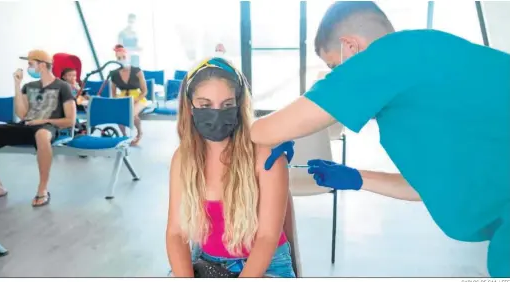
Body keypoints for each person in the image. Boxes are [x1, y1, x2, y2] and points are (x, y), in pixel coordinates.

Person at [250, 1, 510, 278]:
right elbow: (430, 185)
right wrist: (358, 178)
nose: (338, 75)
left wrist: (280, 132)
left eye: (335, 66)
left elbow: (262, 131)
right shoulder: (437, 58)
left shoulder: (387, 56)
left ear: (351, 45)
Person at [166, 57, 295, 278]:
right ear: (190, 107)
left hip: (266, 266)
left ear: (238, 105)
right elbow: (175, 233)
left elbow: (267, 237)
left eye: (226, 105)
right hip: (205, 260)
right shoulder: (183, 159)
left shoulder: (266, 155)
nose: (216, 113)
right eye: (206, 105)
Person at [0, 50, 76, 207]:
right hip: (27, 125)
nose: (28, 67)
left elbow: (70, 120)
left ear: (42, 65)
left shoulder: (63, 87)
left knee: (42, 134)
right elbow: (22, 114)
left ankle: (42, 189)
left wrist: (43, 120)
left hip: (48, 126)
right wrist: (17, 84)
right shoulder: (29, 86)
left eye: (30, 64)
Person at [110, 44, 148, 145]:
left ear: (127, 57)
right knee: (118, 115)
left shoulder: (137, 71)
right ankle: (124, 136)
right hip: (122, 98)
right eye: (119, 58)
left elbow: (145, 91)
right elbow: (113, 93)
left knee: (132, 114)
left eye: (123, 57)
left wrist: (136, 100)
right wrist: (117, 102)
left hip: (138, 98)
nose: (121, 59)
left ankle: (139, 133)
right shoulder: (113, 74)